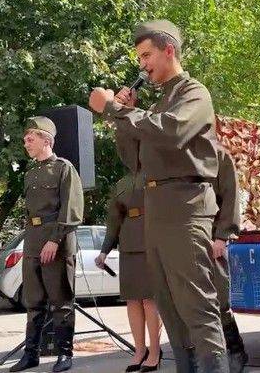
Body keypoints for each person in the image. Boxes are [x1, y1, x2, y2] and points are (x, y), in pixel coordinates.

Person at [88, 20, 229, 372]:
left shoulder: (193, 92)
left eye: (147, 55)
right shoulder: (158, 103)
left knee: (198, 311)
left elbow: (174, 131)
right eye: (139, 58)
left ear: (170, 50)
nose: (143, 64)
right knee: (170, 311)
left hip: (185, 210)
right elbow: (134, 161)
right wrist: (122, 117)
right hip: (158, 211)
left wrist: (116, 110)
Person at [9, 117, 84, 373]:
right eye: (25, 138)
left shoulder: (64, 168)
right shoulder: (30, 173)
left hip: (57, 241)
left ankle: (64, 354)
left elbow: (72, 209)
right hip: (32, 241)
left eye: (31, 137)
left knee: (61, 300)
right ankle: (31, 355)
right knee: (34, 301)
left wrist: (54, 239)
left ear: (47, 140)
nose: (25, 142)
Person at [96, 134, 163, 372]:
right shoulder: (121, 184)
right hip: (129, 245)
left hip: (152, 241)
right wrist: (104, 251)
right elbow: (114, 221)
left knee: (149, 300)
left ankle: (155, 351)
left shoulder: (159, 175)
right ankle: (139, 350)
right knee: (132, 300)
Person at [211, 143, 248, 373]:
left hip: (213, 237)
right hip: (187, 237)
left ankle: (236, 351)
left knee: (219, 298)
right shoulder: (181, 152)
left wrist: (222, 236)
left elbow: (231, 196)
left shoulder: (219, 154)